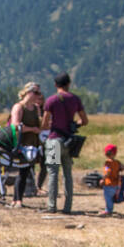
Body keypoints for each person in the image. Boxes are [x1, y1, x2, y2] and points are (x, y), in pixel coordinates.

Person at [42, 71, 88, 213]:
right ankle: (67, 207)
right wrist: (76, 124)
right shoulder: (75, 100)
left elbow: (44, 124)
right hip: (69, 141)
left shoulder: (51, 100)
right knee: (68, 174)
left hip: (54, 140)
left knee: (53, 173)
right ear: (68, 84)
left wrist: (51, 124)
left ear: (55, 85)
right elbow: (84, 120)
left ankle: (52, 206)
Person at [9, 82, 49, 208]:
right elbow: (15, 125)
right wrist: (32, 129)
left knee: (26, 172)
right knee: (22, 171)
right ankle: (17, 199)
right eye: (36, 92)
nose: (38, 95)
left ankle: (17, 199)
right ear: (28, 92)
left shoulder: (36, 108)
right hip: (21, 143)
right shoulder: (19, 107)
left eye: (39, 93)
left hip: (33, 144)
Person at [100, 143, 124, 216]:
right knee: (111, 197)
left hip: (109, 183)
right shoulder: (117, 162)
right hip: (116, 183)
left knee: (108, 198)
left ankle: (108, 210)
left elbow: (107, 172)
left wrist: (103, 179)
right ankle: (109, 208)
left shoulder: (107, 163)